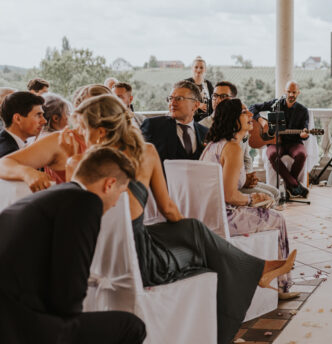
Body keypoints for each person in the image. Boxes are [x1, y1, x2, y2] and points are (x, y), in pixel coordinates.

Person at [70, 94, 296, 344]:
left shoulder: (79, 164)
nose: (78, 135)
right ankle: (227, 326)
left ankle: (255, 273)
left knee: (193, 230)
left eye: (82, 129)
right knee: (206, 253)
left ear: (100, 132)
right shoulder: (145, 152)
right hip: (140, 259)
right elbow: (168, 210)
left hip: (102, 253)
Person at [0, 146, 146, 344]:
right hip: (20, 325)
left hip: (13, 313)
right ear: (109, 184)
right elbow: (68, 301)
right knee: (132, 326)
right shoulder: (85, 203)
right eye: (120, 193)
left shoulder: (49, 196)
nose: (114, 204)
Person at [200, 98, 297, 298]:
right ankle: (281, 285)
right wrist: (254, 199)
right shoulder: (232, 148)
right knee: (278, 219)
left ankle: (270, 272)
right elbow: (229, 195)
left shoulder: (213, 145)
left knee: (268, 211)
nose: (250, 115)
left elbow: (224, 185)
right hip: (223, 218)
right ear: (233, 119)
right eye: (245, 112)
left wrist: (251, 191)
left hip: (206, 214)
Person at [249, 80, 310, 198]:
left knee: (302, 154)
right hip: (275, 142)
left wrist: (304, 134)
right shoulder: (275, 104)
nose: (291, 95)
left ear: (298, 93)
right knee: (271, 155)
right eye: (289, 92)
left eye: (294, 92)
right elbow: (252, 107)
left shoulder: (303, 110)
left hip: (294, 142)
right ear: (284, 91)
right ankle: (294, 186)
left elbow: (305, 130)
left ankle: (290, 186)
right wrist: (261, 120)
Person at [141, 80, 208, 167]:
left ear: (195, 105)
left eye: (179, 99)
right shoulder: (152, 126)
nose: (172, 103)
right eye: (170, 98)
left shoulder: (206, 133)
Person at [0, 91, 46, 158]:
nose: (44, 121)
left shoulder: (11, 143)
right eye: (38, 115)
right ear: (18, 119)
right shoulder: (9, 153)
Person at [185, 56, 214, 122]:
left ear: (205, 69)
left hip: (207, 121)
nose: (198, 70)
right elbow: (180, 101)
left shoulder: (208, 84)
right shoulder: (186, 83)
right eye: (196, 67)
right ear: (192, 68)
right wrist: (197, 105)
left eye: (201, 67)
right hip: (190, 121)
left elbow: (213, 101)